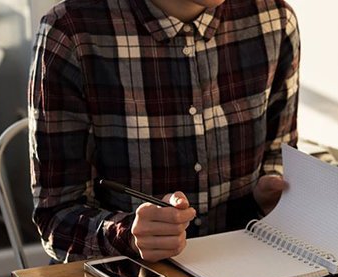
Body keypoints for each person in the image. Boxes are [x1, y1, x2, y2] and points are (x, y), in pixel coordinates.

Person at [29, 0, 300, 263]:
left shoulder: (274, 19)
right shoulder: (71, 32)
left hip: (248, 272)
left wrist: (275, 199)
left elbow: (277, 158)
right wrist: (127, 235)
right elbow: (56, 216)